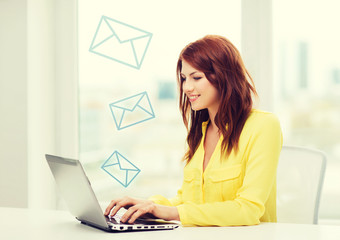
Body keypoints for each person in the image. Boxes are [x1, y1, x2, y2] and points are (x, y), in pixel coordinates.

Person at [104, 35, 283, 226]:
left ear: (224, 76)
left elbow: (248, 210)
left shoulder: (264, 126)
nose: (187, 87)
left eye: (196, 77)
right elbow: (188, 203)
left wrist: (169, 212)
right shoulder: (201, 132)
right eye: (183, 78)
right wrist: (149, 206)